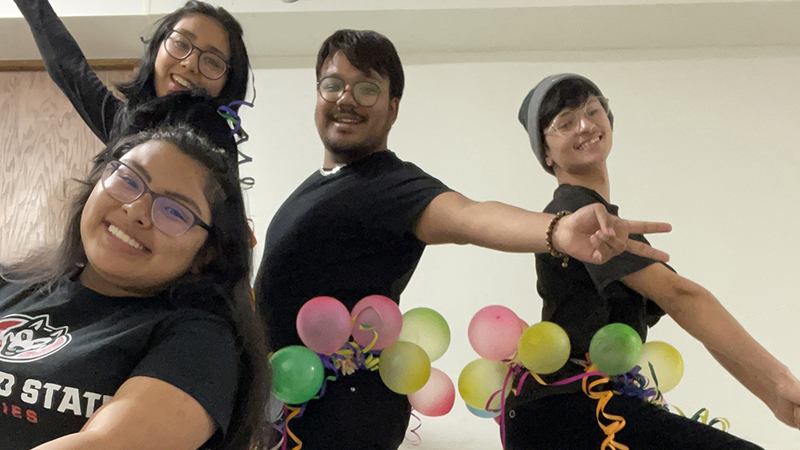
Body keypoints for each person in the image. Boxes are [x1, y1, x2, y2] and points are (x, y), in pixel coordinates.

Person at [254, 30, 672, 450]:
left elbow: (469, 216)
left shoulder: (390, 183)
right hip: (291, 402)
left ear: (393, 108)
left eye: (367, 89)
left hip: (341, 406)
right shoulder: (317, 185)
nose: (346, 98)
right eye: (333, 85)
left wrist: (557, 230)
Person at [506, 73, 800, 449]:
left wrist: (773, 397)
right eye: (564, 123)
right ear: (546, 153)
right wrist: (780, 379)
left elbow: (694, 318)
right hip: (566, 409)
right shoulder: (576, 211)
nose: (585, 125)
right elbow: (682, 296)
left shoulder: (606, 224)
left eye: (593, 110)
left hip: (576, 410)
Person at [0, 103, 271, 449]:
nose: (137, 210)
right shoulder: (11, 282)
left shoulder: (201, 343)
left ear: (205, 254)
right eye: (128, 179)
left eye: (174, 211)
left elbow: (106, 444)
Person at [14, 0, 250, 151]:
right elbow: (68, 68)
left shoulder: (216, 144)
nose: (189, 64)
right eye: (181, 43)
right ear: (157, 49)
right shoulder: (125, 123)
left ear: (228, 82)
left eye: (212, 60)